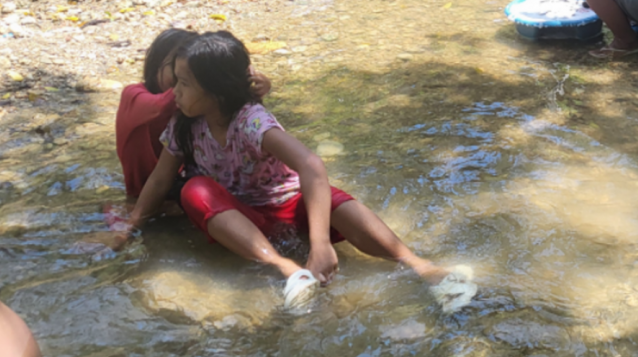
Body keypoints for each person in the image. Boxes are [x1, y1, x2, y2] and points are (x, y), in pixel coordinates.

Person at [109, 31, 475, 312]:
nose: (174, 92)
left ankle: (421, 266)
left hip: (288, 208)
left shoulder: (251, 121)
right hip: (243, 222)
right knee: (195, 189)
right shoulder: (184, 126)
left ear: (216, 92)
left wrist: (320, 245)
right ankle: (288, 271)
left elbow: (311, 165)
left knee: (331, 198)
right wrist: (130, 225)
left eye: (184, 84)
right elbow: (160, 179)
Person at [115, 28, 271, 199]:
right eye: (178, 70)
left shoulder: (193, 108)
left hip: (182, 179)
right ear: (156, 63)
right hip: (147, 189)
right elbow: (161, 107)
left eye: (190, 74)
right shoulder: (133, 95)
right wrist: (223, 82)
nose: (178, 84)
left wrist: (246, 84)